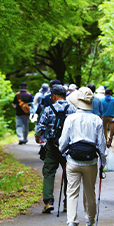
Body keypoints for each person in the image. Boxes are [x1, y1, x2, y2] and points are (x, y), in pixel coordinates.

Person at [59, 87, 107, 226]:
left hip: (73, 160)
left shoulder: (70, 118)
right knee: (89, 191)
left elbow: (63, 141)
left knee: (72, 191)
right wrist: (102, 162)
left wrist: (63, 153)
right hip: (90, 162)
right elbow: (101, 144)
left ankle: (72, 223)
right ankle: (90, 220)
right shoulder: (96, 120)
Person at [35, 84, 77, 213]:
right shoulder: (73, 109)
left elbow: (40, 127)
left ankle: (49, 202)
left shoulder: (48, 109)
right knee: (68, 173)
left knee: (49, 172)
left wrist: (38, 138)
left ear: (53, 96)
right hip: (68, 147)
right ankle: (67, 203)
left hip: (52, 145)